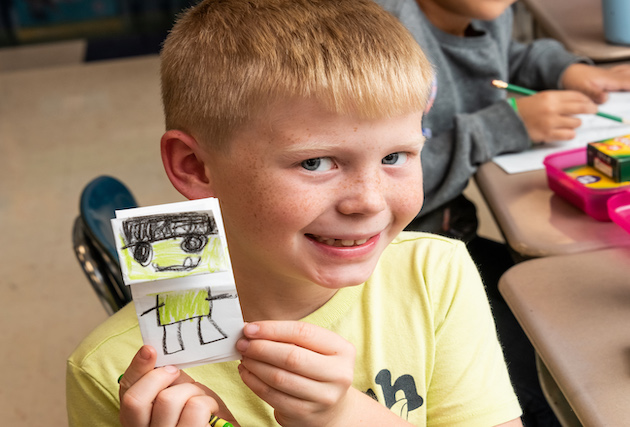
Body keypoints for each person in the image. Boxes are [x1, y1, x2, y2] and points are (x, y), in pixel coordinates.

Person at [66, 1, 524, 426]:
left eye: (395, 157)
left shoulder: (436, 273)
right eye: (315, 162)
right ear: (196, 167)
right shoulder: (110, 373)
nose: (368, 201)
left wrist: (344, 416)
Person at [373, 0, 630, 425]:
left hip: (454, 234)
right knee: (560, 379)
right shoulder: (383, 29)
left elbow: (500, 60)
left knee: (573, 325)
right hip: (394, 257)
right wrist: (503, 125)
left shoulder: (486, 11)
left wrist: (567, 70)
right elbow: (383, 181)